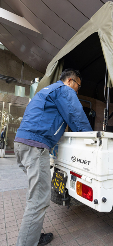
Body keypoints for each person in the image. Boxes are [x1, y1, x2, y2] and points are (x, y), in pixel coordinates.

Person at [14, 69, 92, 246]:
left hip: (21, 144)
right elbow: (76, 116)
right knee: (38, 200)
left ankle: (32, 237)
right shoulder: (64, 90)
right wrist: (91, 140)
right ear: (71, 81)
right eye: (78, 86)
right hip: (35, 146)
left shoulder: (46, 91)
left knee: (35, 196)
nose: (77, 91)